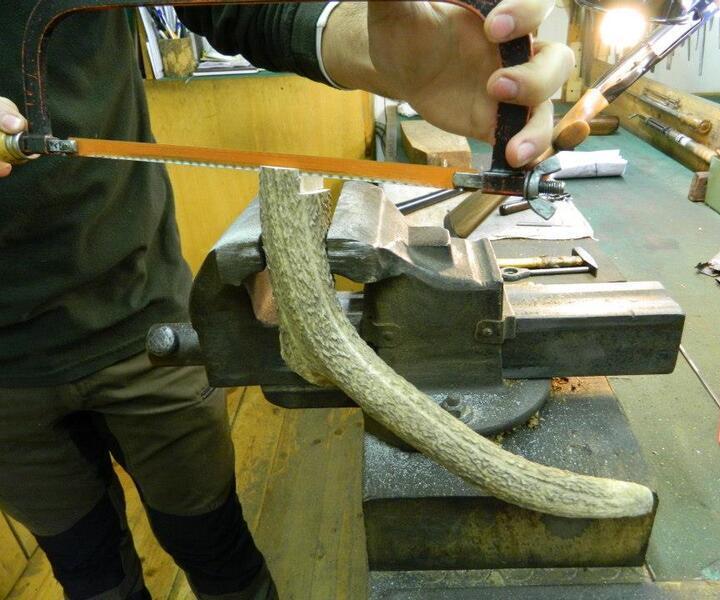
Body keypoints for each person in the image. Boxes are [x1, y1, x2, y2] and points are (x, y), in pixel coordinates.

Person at [0, 2, 572, 598]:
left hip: (139, 307)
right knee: (88, 574)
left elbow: (249, 10)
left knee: (215, 548)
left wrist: (380, 55)